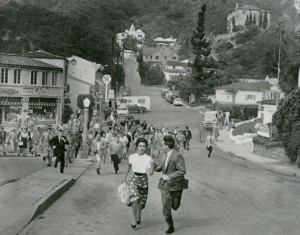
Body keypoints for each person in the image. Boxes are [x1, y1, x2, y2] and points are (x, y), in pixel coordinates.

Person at [154, 136, 188, 234]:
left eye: (162, 144)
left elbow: (182, 171)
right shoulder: (164, 155)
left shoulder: (177, 156)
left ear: (167, 146)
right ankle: (170, 225)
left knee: (175, 206)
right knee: (166, 206)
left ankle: (175, 202)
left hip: (176, 185)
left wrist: (169, 177)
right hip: (165, 185)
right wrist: (155, 166)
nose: (161, 146)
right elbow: (162, 167)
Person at [124, 138, 154, 229]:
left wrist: (152, 164)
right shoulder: (132, 156)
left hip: (143, 179)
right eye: (140, 146)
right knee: (134, 199)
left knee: (141, 200)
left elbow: (151, 173)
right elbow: (129, 167)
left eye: (144, 146)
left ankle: (139, 214)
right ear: (136, 147)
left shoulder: (148, 158)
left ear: (146, 148)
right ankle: (133, 219)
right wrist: (125, 177)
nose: (142, 148)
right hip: (133, 178)